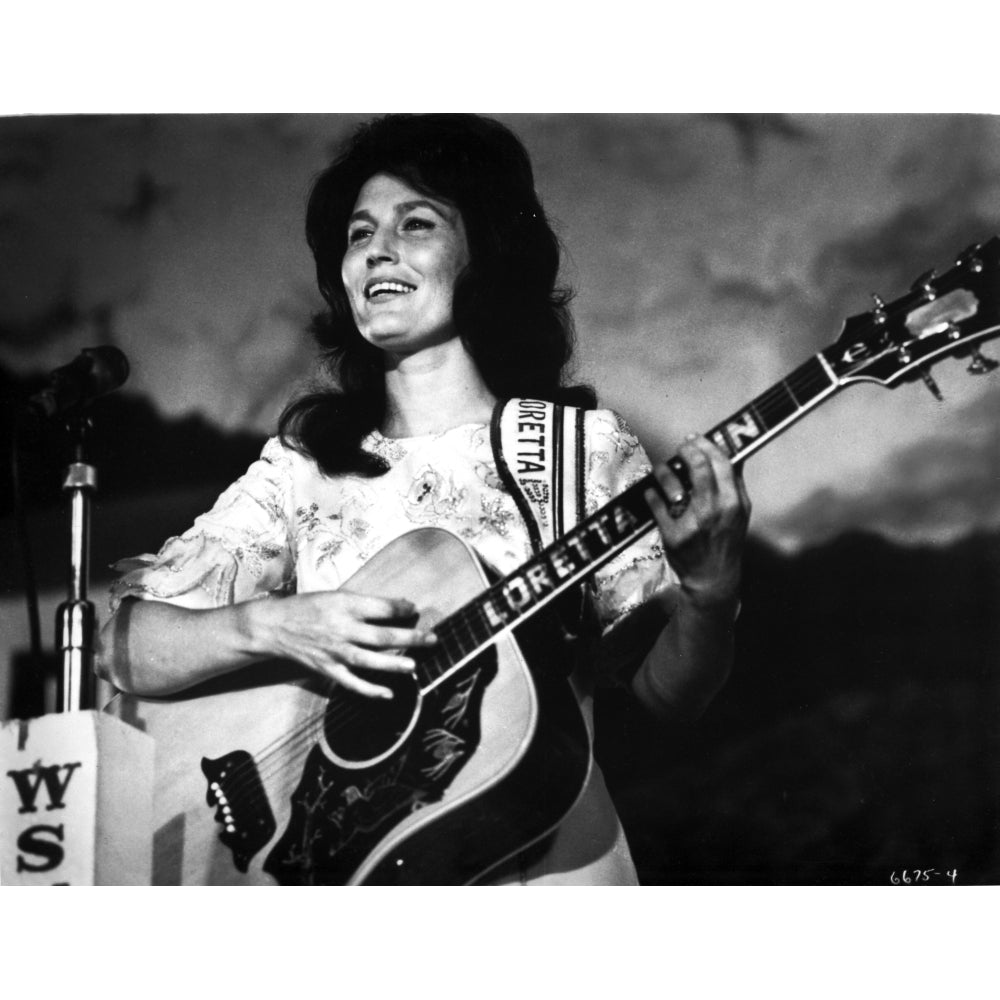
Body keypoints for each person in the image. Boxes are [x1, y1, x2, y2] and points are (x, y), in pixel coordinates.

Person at [97, 114, 751, 885]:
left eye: (417, 224)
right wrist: (273, 625)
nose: (378, 249)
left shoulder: (582, 451)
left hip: (546, 873)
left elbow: (666, 694)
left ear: (483, 255)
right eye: (358, 232)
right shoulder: (303, 470)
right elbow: (121, 645)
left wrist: (711, 593)